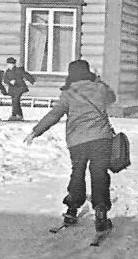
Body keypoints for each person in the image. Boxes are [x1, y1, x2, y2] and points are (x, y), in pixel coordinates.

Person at [23, 59, 117, 235]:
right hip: (101, 139)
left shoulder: (68, 93)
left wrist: (36, 132)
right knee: (99, 174)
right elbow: (112, 98)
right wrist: (98, 80)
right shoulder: (99, 88)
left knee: (77, 172)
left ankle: (72, 208)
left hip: (77, 141)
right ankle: (101, 211)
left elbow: (54, 114)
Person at [3, 57, 36, 121]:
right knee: (14, 101)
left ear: (14, 64)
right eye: (8, 64)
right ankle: (15, 115)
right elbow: (5, 80)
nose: (9, 65)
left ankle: (18, 115)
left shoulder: (18, 70)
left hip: (20, 88)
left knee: (16, 100)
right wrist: (10, 81)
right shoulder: (7, 71)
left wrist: (32, 80)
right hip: (12, 89)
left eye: (11, 64)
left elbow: (26, 75)